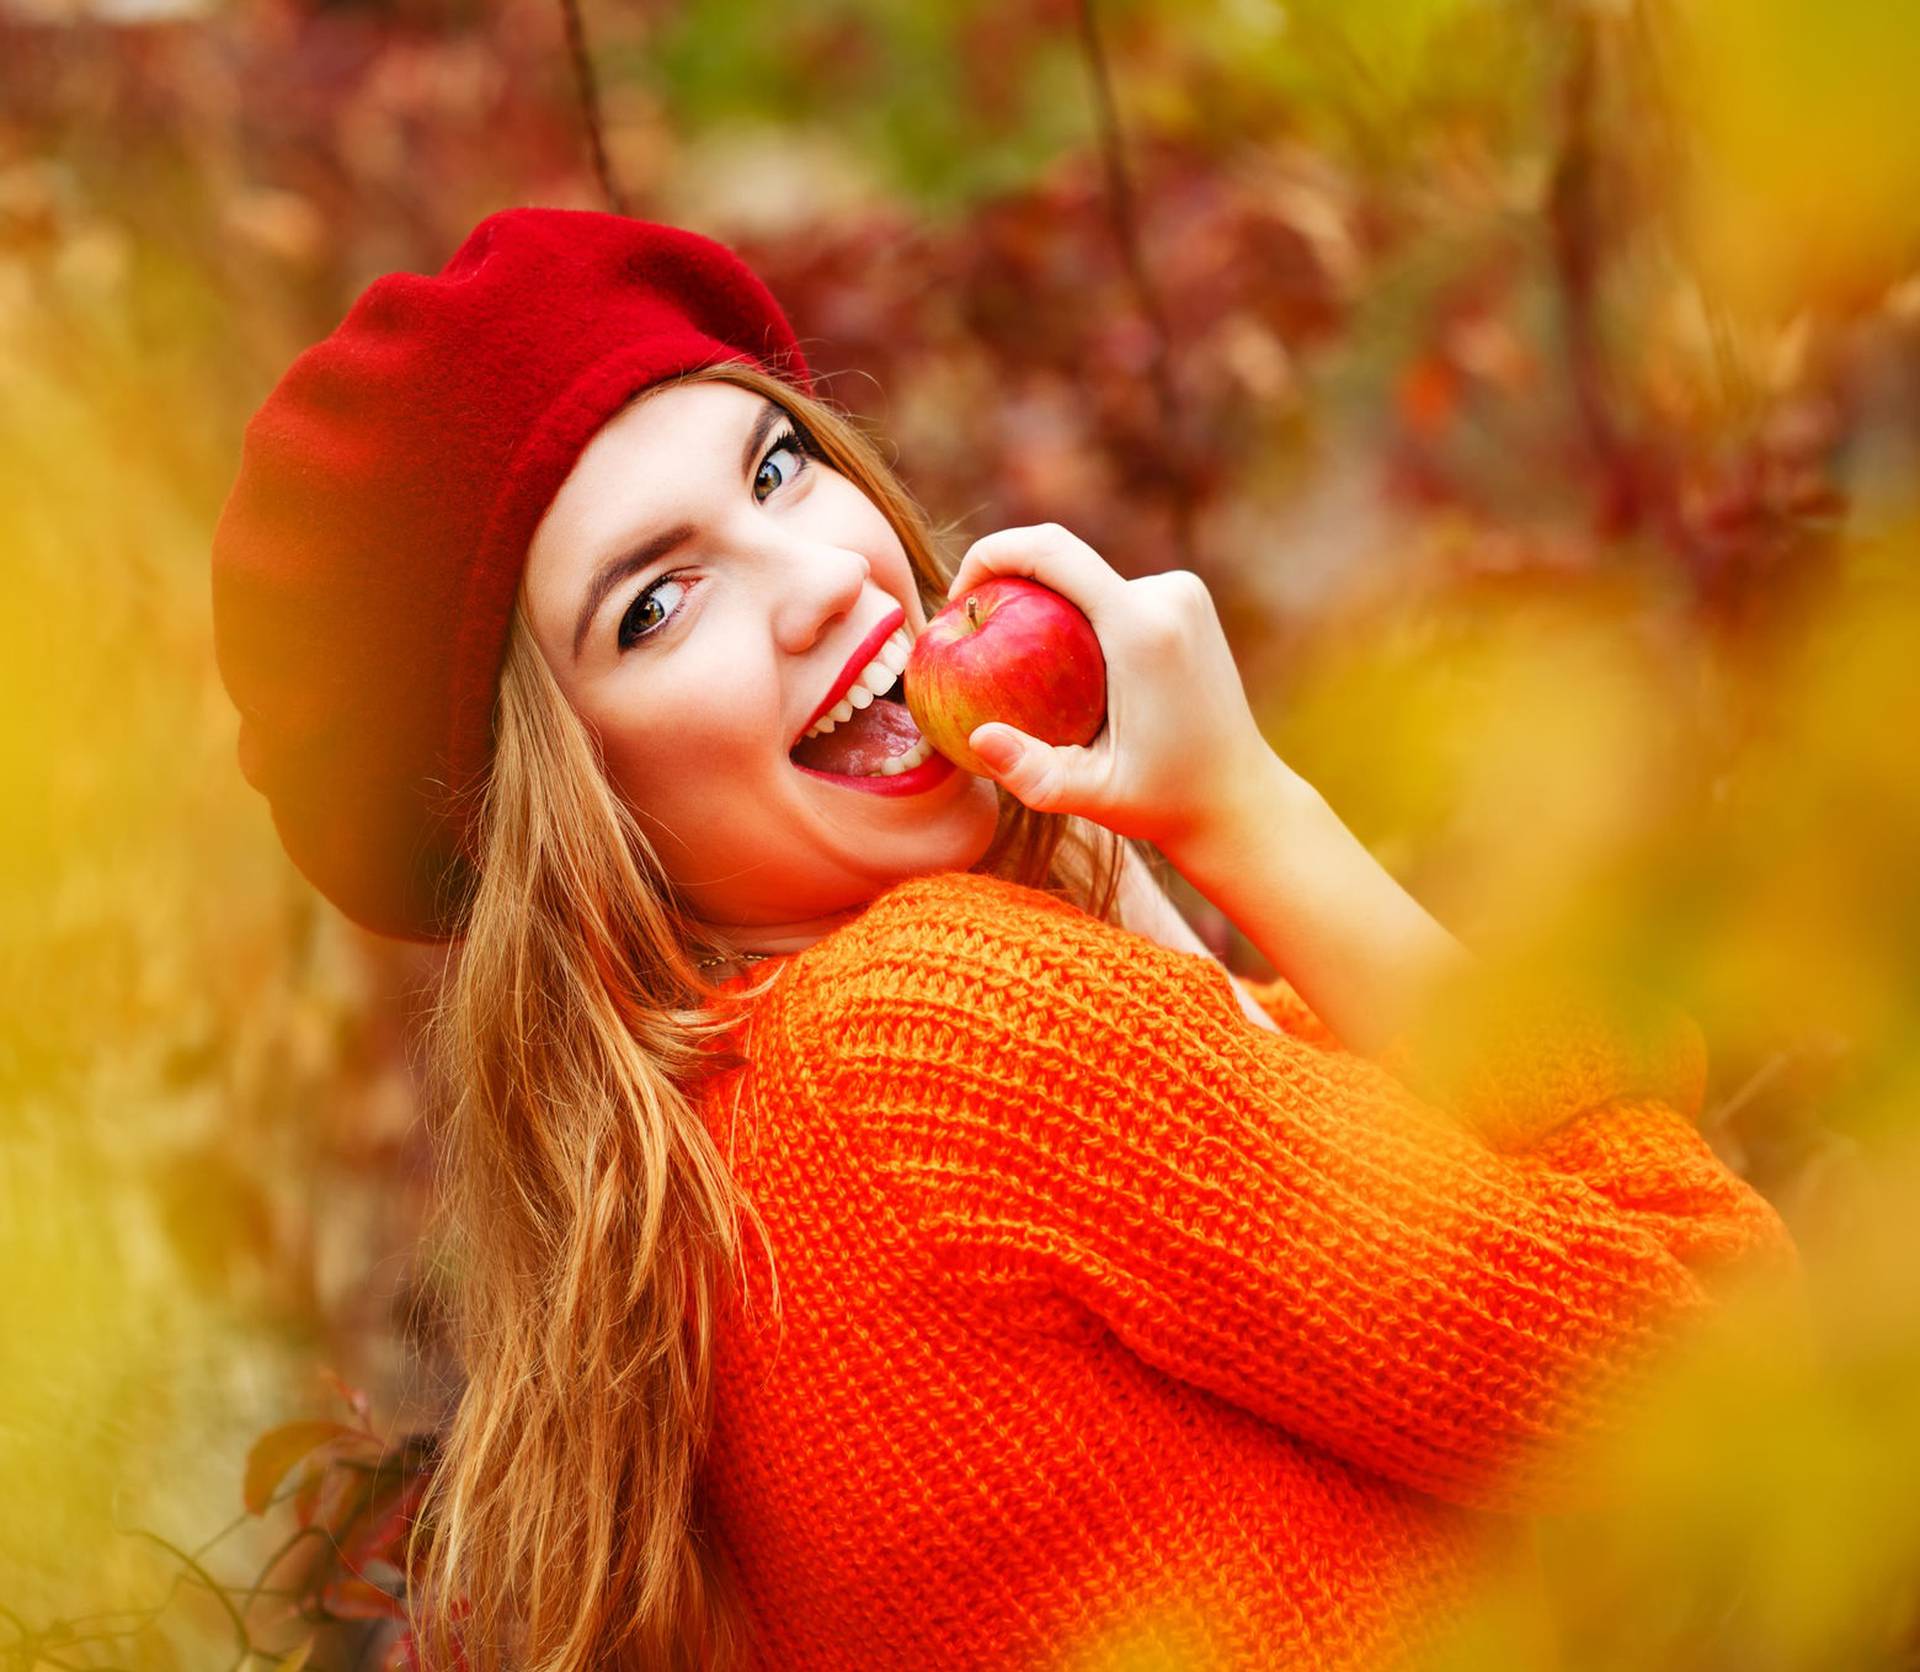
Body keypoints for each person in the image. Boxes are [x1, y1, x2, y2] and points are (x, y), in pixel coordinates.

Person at [210, 206, 1801, 1672]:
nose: (820, 582)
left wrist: (1141, 896)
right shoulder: (931, 1038)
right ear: (568, 817)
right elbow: (1736, 1376)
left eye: (774, 470)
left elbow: (1556, 1125)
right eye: (655, 605)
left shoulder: (712, 1178)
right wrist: (1248, 804)